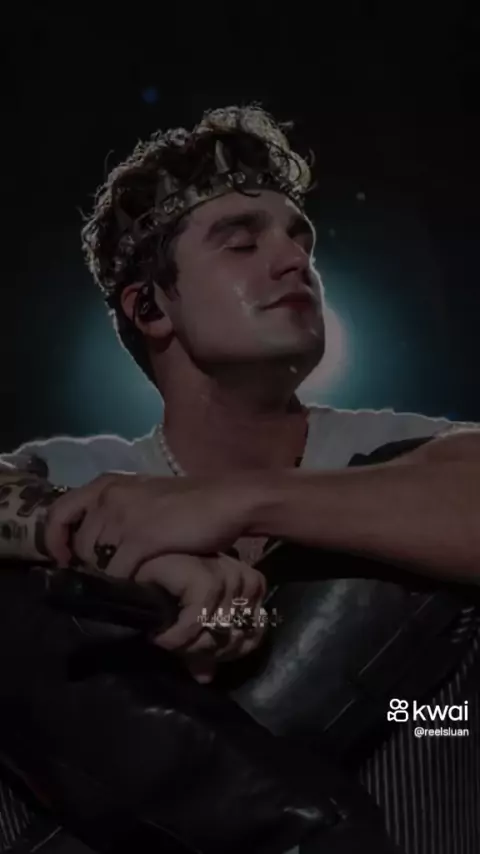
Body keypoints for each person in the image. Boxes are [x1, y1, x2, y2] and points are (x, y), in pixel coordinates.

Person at [1, 103, 480, 854]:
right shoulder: (77, 472)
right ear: (150, 307)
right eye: (242, 243)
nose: (294, 261)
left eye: (299, 240)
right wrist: (129, 550)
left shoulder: (402, 450)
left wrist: (233, 503)